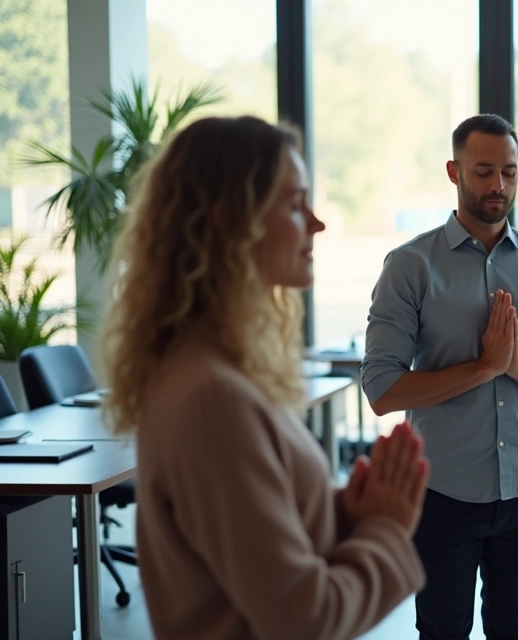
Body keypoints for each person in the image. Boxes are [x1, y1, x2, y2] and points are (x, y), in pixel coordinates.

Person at [101, 116, 431, 640]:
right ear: (229, 222)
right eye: (294, 204)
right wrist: (386, 529)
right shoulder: (213, 398)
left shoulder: (214, 369)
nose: (317, 223)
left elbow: (257, 546)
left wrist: (347, 513)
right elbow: (304, 620)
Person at [361, 113, 518, 639]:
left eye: (510, 172)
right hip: (442, 494)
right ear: (454, 171)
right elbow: (381, 389)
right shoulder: (409, 266)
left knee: (516, 632)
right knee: (442, 631)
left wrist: (516, 369)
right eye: (484, 171)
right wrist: (483, 369)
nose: (498, 186)